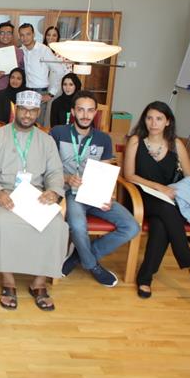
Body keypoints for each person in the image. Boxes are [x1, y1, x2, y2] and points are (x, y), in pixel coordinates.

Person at [0, 90, 68, 311]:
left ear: (38, 112)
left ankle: (39, 282)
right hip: (6, 195)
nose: (28, 115)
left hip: (37, 195)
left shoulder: (46, 140)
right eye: (24, 110)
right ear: (16, 109)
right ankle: (8, 281)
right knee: (1, 223)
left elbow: (55, 172)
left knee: (57, 225)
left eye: (33, 111)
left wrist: (54, 191)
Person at [50, 91, 139, 287]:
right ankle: (92, 265)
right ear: (73, 111)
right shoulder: (58, 133)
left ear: (95, 113)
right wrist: (66, 178)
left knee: (132, 227)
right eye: (81, 110)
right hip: (69, 193)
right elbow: (47, 168)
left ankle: (79, 256)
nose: (85, 115)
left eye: (90, 110)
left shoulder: (103, 139)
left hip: (95, 194)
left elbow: (105, 171)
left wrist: (107, 194)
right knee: (78, 225)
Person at [123, 101, 190, 298]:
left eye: (159, 119)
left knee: (161, 224)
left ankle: (145, 278)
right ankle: (188, 260)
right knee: (165, 209)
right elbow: (129, 175)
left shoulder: (176, 144)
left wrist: (170, 190)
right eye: (149, 118)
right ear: (144, 120)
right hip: (140, 197)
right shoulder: (136, 141)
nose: (153, 123)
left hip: (168, 200)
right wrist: (158, 187)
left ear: (168, 122)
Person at [19, 23, 63, 126]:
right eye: (22, 35)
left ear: (33, 34)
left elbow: (60, 70)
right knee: (27, 124)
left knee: (38, 125)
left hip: (41, 93)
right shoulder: (21, 50)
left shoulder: (44, 50)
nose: (25, 38)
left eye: (28, 34)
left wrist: (51, 93)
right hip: (27, 92)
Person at [0, 21, 25, 100]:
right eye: (2, 33)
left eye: (8, 33)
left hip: (17, 93)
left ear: (12, 35)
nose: (5, 36)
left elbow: (24, 73)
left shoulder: (20, 52)